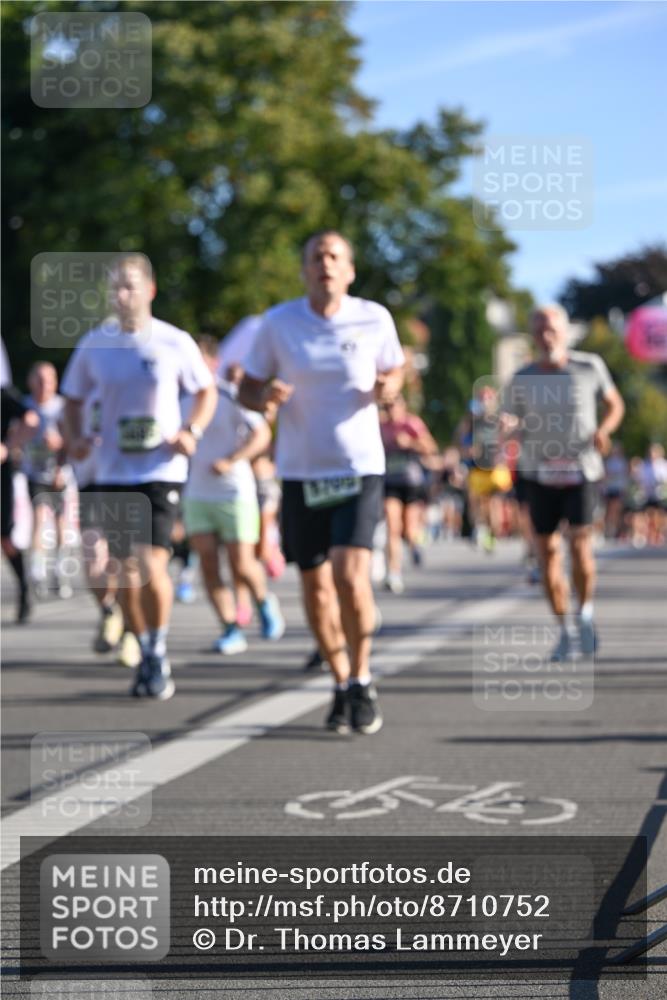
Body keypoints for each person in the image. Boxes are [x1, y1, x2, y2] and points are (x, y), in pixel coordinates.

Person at [239, 230, 404, 734]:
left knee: (351, 579)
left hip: (358, 467)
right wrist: (264, 394)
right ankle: (338, 682)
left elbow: (396, 371)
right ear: (305, 269)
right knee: (314, 587)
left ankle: (362, 676)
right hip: (300, 471)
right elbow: (245, 388)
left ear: (349, 270)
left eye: (335, 257)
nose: (325, 264)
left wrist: (387, 389)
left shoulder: (374, 317)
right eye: (316, 257)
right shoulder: (278, 324)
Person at [62, 254, 217, 700]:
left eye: (129, 286)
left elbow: (205, 390)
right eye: (115, 287)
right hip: (112, 470)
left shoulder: (174, 342)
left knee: (150, 563)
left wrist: (192, 430)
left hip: (160, 469)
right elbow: (73, 398)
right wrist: (74, 437)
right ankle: (143, 642)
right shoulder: (95, 345)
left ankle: (158, 648)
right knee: (125, 570)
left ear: (149, 290)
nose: (121, 295)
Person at [502, 304, 625, 659]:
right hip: (538, 472)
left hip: (581, 469)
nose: (546, 333)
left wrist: (604, 429)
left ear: (565, 330)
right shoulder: (522, 377)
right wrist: (507, 425)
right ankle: (563, 629)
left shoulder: (589, 366)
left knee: (580, 546)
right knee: (547, 553)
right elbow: (511, 416)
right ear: (533, 334)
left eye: (552, 326)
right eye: (539, 328)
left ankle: (584, 613)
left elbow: (614, 404)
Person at [182, 335, 284, 652]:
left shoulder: (229, 395)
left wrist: (231, 460)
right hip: (196, 494)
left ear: (214, 362)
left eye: (199, 359)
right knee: (209, 567)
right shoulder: (177, 398)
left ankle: (265, 602)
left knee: (242, 565)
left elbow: (262, 434)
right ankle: (230, 628)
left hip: (233, 492)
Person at [21, 362, 72, 597]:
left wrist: (60, 445)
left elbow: (73, 440)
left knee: (62, 524)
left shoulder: (62, 407)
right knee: (39, 518)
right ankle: (37, 573)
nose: (44, 386)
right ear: (31, 382)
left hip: (60, 473)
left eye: (48, 380)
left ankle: (58, 573)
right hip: (35, 473)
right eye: (39, 380)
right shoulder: (25, 406)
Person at [380, 395, 437, 593]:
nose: (390, 410)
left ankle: (414, 545)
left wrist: (410, 443)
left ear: (402, 406)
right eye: (386, 406)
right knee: (392, 525)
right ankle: (393, 573)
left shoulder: (412, 423)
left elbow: (430, 447)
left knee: (410, 530)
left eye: (393, 406)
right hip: (390, 482)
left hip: (411, 482)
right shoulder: (380, 426)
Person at [2, 383, 39, 622]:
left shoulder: (3, 394)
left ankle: (24, 587)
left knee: (5, 538)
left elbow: (31, 419)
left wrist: (9, 446)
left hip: (1, 475)